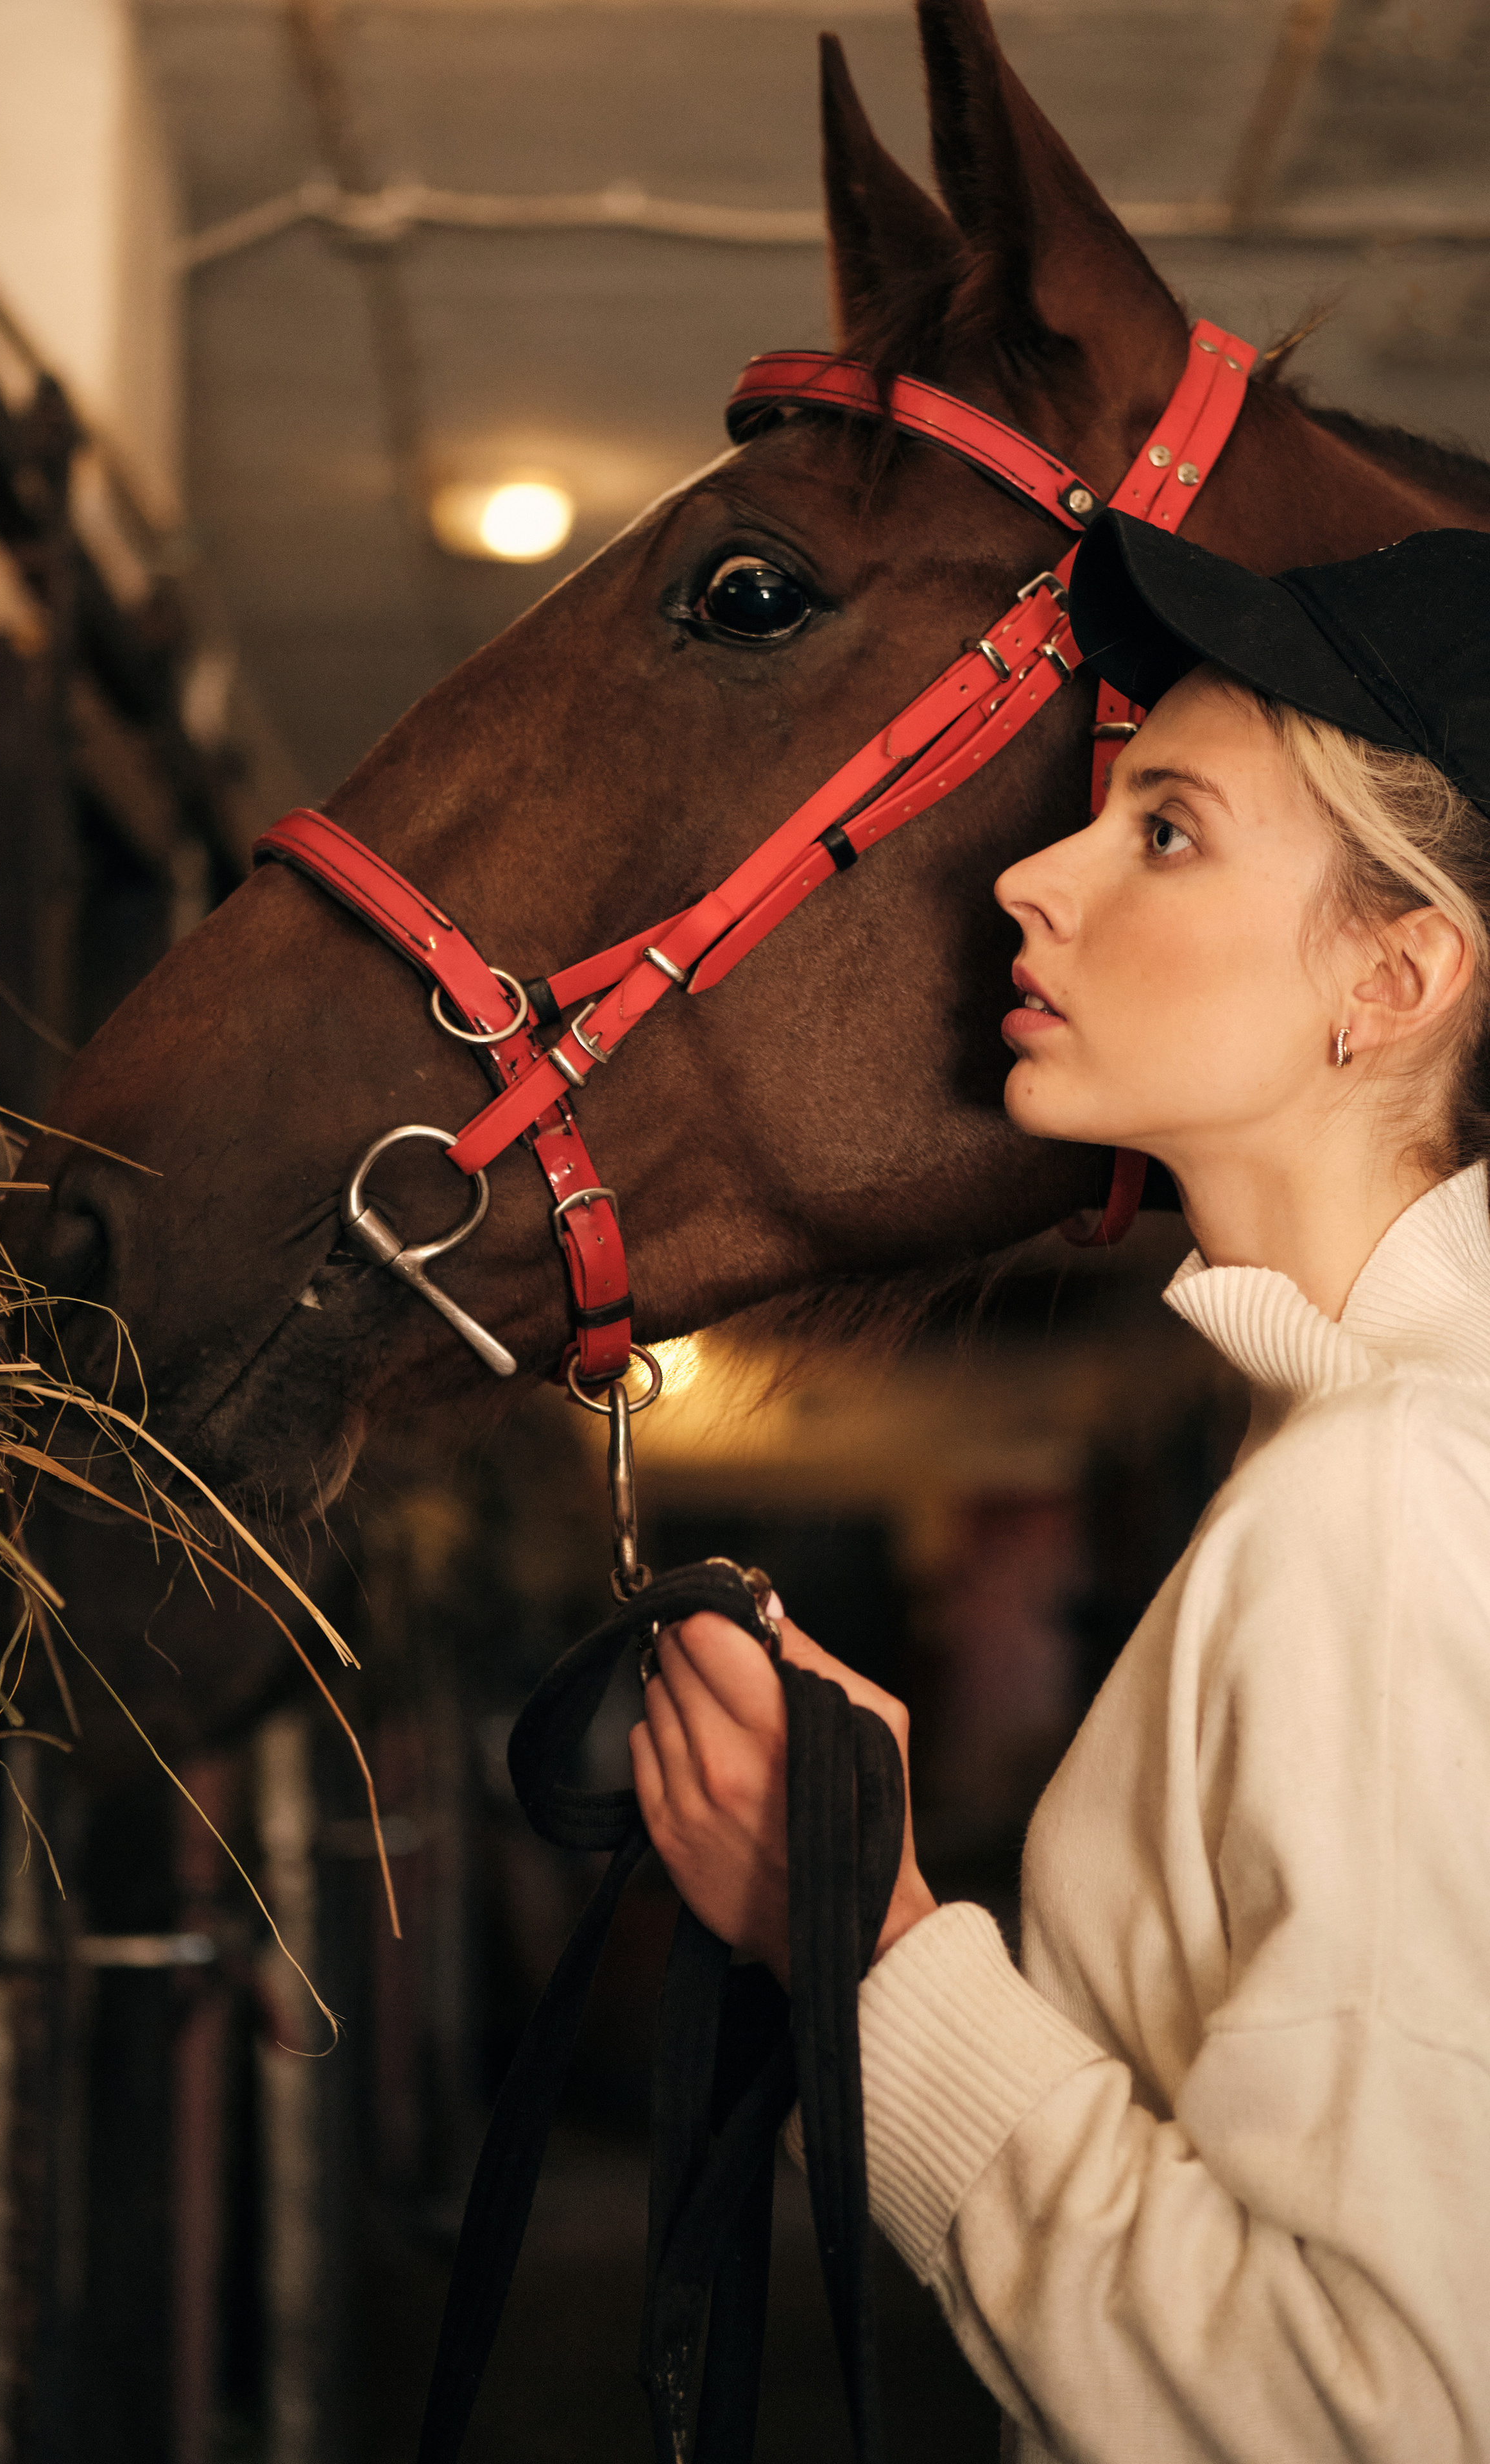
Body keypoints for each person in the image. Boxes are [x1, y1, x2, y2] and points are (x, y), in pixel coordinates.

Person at [629, 510, 1490, 2461]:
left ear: (1399, 975)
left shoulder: (1392, 1500)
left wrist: (865, 1942)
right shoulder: (1379, 1450)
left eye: (1166, 831)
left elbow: (1382, 2415)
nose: (1031, 875)